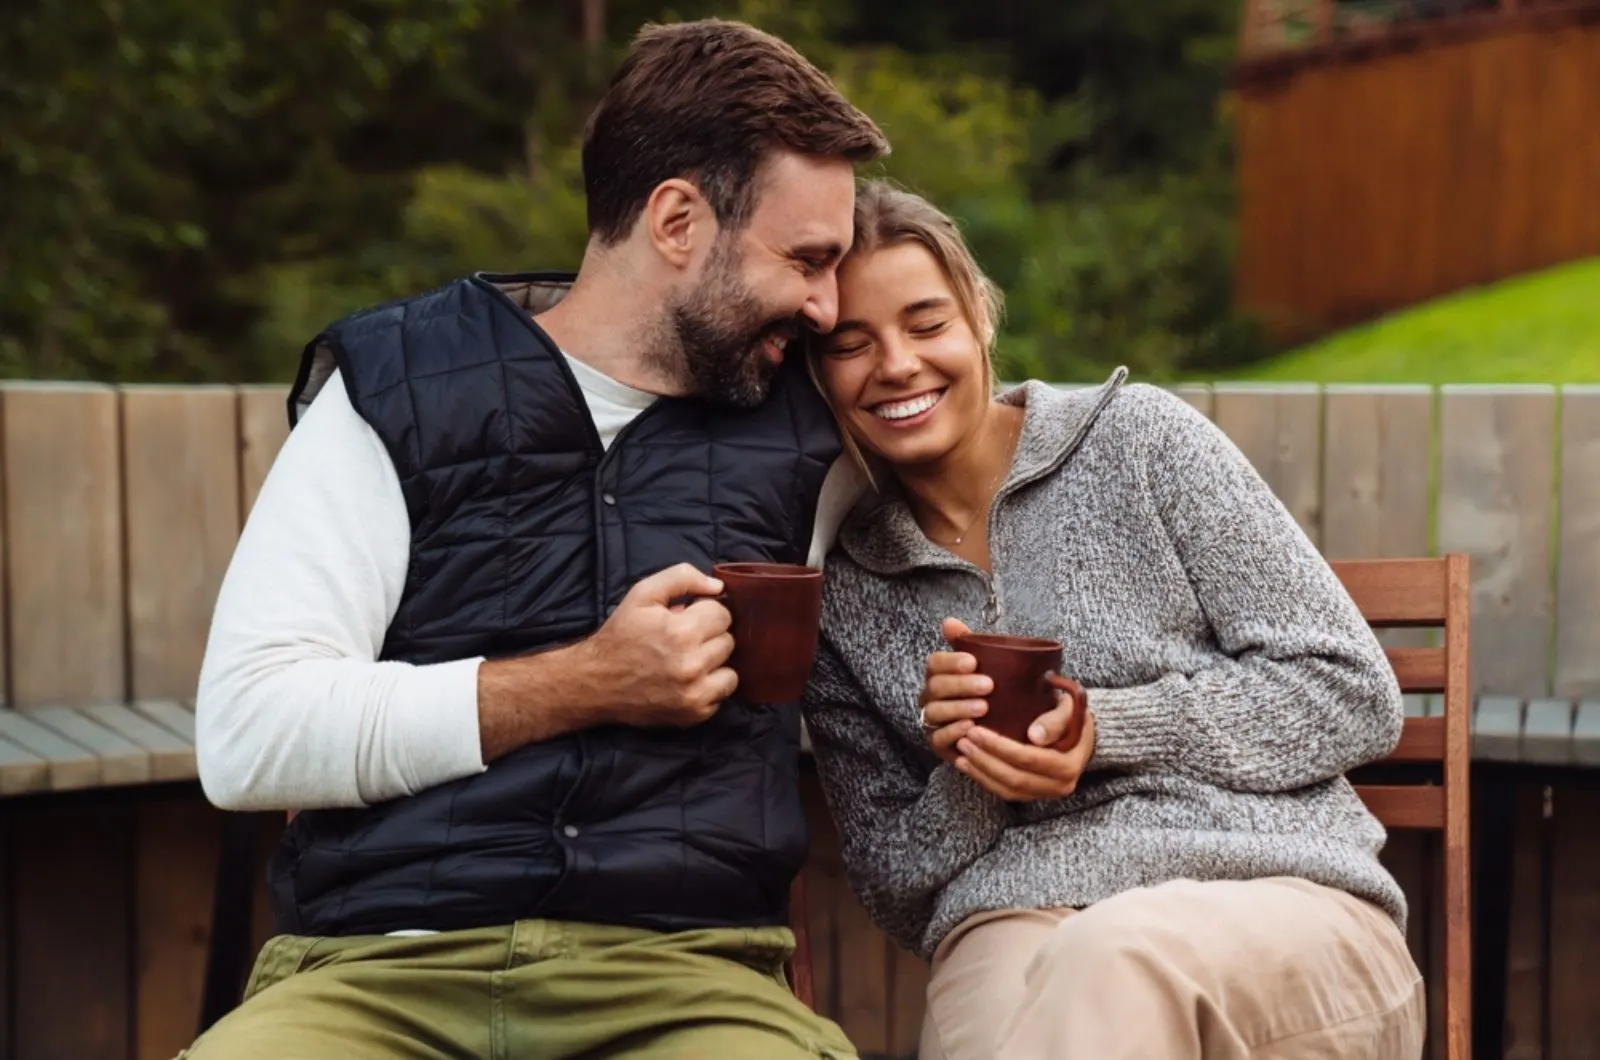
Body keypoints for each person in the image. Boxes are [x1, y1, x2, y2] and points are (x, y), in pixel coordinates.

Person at [183, 19, 889, 1060]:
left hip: (684, 984)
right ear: (679, 221)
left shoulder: (816, 423)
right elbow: (247, 736)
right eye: (807, 260)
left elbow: (988, 455)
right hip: (379, 977)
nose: (829, 305)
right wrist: (589, 680)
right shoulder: (396, 392)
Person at [801, 179, 1426, 1060]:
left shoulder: (1139, 441)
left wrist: (1105, 728)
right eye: (850, 345)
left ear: (979, 316)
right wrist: (977, 767)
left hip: (1276, 894)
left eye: (926, 323)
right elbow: (895, 886)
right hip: (1013, 914)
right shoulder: (841, 589)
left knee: (1111, 959)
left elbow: (1352, 692)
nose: (897, 363)